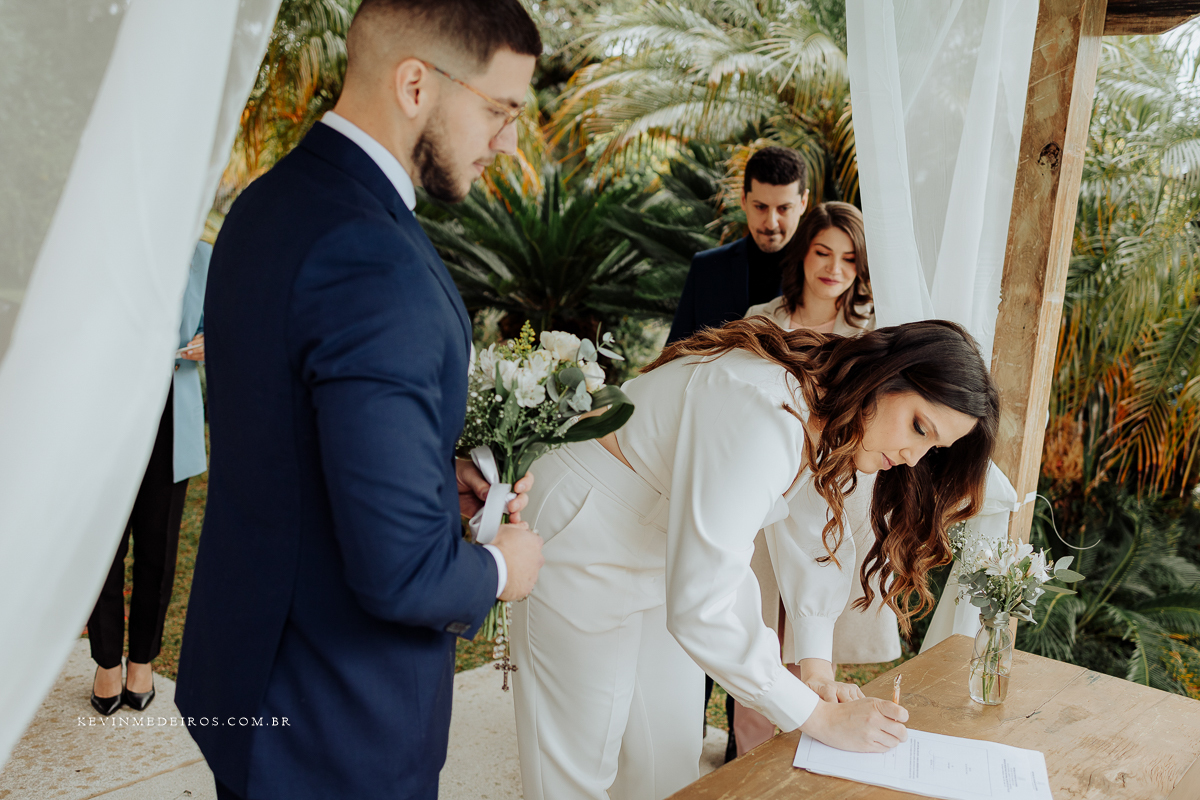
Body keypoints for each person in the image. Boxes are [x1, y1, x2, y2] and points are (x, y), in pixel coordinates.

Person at [174, 3, 545, 799]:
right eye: (499, 109)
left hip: (249, 679)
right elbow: (401, 573)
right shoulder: (378, 264)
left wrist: (425, 474)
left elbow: (286, 428)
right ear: (416, 82)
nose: (508, 142)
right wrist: (497, 570)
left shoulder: (266, 205)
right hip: (337, 724)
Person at [510, 318, 999, 800]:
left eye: (933, 447)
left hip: (658, 543)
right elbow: (704, 605)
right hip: (583, 521)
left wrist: (817, 672)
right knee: (575, 766)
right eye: (919, 426)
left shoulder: (827, 408)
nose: (915, 457)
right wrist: (817, 716)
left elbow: (810, 528)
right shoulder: (765, 407)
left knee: (669, 761)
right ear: (888, 375)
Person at [730, 200, 898, 757]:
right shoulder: (762, 319)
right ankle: (749, 763)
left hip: (835, 497)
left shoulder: (871, 332)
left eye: (850, 259)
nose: (834, 268)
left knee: (817, 639)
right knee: (756, 633)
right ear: (803, 253)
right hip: (764, 494)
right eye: (823, 252)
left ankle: (811, 759)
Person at [88, 241, 211, 716]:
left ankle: (141, 660)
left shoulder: (203, 256)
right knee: (104, 550)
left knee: (157, 550)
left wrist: (209, 341)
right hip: (106, 422)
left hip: (170, 420)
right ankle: (105, 663)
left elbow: (225, 324)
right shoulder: (107, 247)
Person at [667, 147, 809, 344]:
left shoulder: (824, 275)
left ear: (803, 203)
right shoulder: (705, 268)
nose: (771, 223)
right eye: (760, 207)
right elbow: (674, 353)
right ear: (743, 200)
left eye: (784, 208)